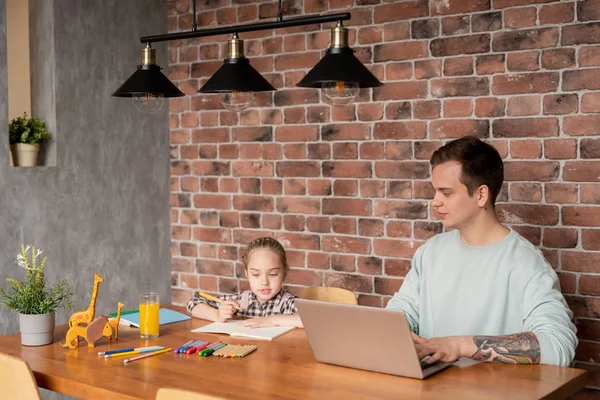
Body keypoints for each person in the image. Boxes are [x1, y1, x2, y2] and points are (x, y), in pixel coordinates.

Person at [386, 136, 577, 367]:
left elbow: (557, 346)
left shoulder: (526, 264)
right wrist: (390, 331)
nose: (435, 202)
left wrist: (459, 346)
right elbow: (400, 314)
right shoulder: (430, 252)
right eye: (435, 191)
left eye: (446, 193)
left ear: (481, 195)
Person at [187, 236, 303, 328]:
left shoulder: (288, 303)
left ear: (285, 272)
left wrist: (272, 320)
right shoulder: (240, 302)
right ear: (247, 274)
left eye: (273, 274)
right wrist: (217, 315)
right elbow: (193, 303)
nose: (264, 282)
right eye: (256, 274)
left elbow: (315, 320)